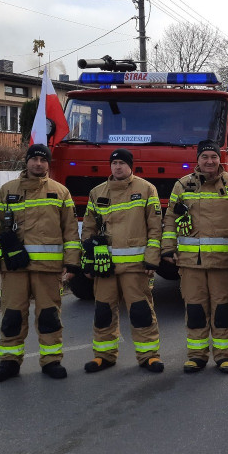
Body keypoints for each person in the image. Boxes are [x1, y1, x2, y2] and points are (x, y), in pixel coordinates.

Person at [0, 143, 80, 383]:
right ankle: (9, 363)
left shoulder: (61, 192)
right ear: (26, 161)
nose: (38, 164)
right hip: (14, 268)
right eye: (34, 159)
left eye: (43, 160)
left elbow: (70, 231)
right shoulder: (7, 191)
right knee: (12, 316)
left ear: (48, 164)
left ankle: (51, 361)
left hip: (48, 269)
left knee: (49, 316)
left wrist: (72, 262)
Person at [161, 139, 228, 374]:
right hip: (190, 264)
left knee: (223, 310)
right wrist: (167, 248)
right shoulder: (182, 186)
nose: (209, 161)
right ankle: (197, 356)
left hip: (223, 264)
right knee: (195, 310)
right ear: (198, 160)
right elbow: (170, 219)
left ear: (219, 159)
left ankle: (224, 357)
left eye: (213, 157)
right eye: (205, 157)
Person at [80, 148, 165, 374]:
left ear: (130, 165)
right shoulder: (97, 192)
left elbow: (155, 228)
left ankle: (149, 356)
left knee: (141, 312)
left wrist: (152, 259)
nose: (117, 167)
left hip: (135, 268)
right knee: (103, 312)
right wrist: (87, 260)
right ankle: (104, 356)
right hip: (105, 267)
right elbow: (88, 228)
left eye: (122, 163)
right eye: (114, 162)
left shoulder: (146, 189)